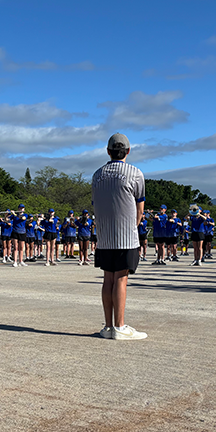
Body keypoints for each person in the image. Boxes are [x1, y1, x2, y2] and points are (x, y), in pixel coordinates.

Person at [92, 133, 146, 340]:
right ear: (128, 151)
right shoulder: (135, 173)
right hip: (126, 234)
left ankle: (108, 326)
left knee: (108, 279)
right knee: (121, 279)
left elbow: (96, 203)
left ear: (108, 151)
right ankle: (120, 326)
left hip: (104, 235)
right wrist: (134, 226)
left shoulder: (97, 174)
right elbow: (139, 207)